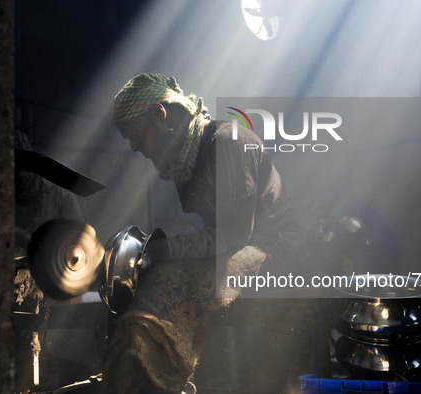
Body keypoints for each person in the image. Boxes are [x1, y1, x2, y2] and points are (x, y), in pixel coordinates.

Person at [102, 73, 304, 393]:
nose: (135, 146)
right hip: (239, 240)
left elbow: (235, 234)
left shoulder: (230, 142)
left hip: (274, 245)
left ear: (159, 114)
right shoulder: (187, 159)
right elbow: (210, 229)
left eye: (136, 134)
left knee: (172, 282)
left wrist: (165, 251)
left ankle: (155, 378)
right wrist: (157, 246)